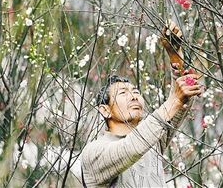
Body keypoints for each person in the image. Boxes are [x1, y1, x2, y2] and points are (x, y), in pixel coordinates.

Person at [80, 22, 202, 187]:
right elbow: (131, 148)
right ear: (105, 110)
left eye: (136, 92)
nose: (133, 96)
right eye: (123, 93)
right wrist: (174, 100)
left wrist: (175, 57)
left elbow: (181, 104)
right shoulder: (94, 152)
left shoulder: (153, 140)